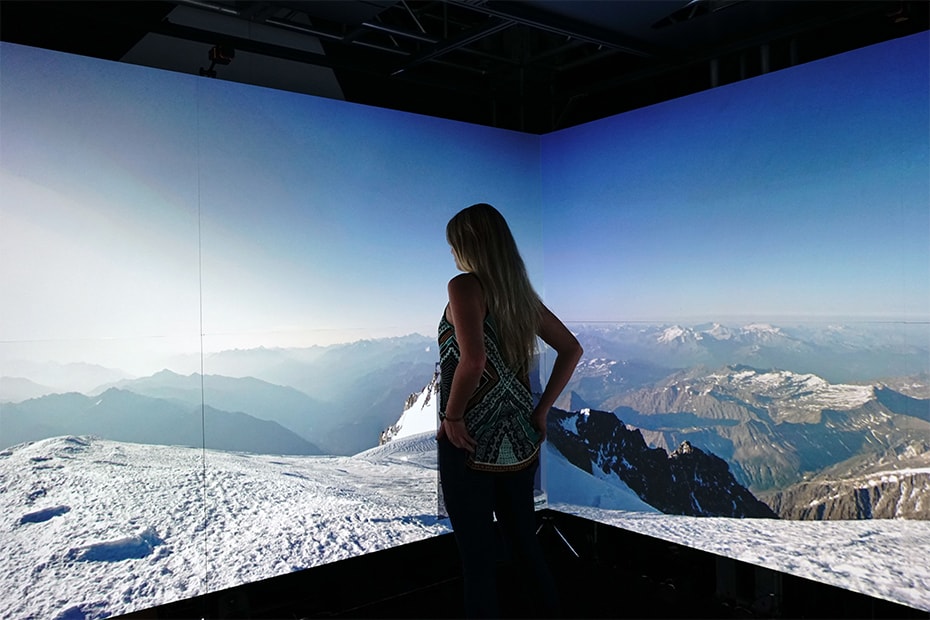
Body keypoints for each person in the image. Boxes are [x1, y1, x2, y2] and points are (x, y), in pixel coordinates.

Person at [436, 203, 583, 618]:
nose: (452, 254)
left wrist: (453, 417)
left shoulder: (464, 286)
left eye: (455, 245)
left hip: (468, 442)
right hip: (520, 440)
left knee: (478, 563)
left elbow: (473, 360)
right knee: (525, 547)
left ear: (468, 245)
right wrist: (540, 411)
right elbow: (572, 349)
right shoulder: (520, 297)